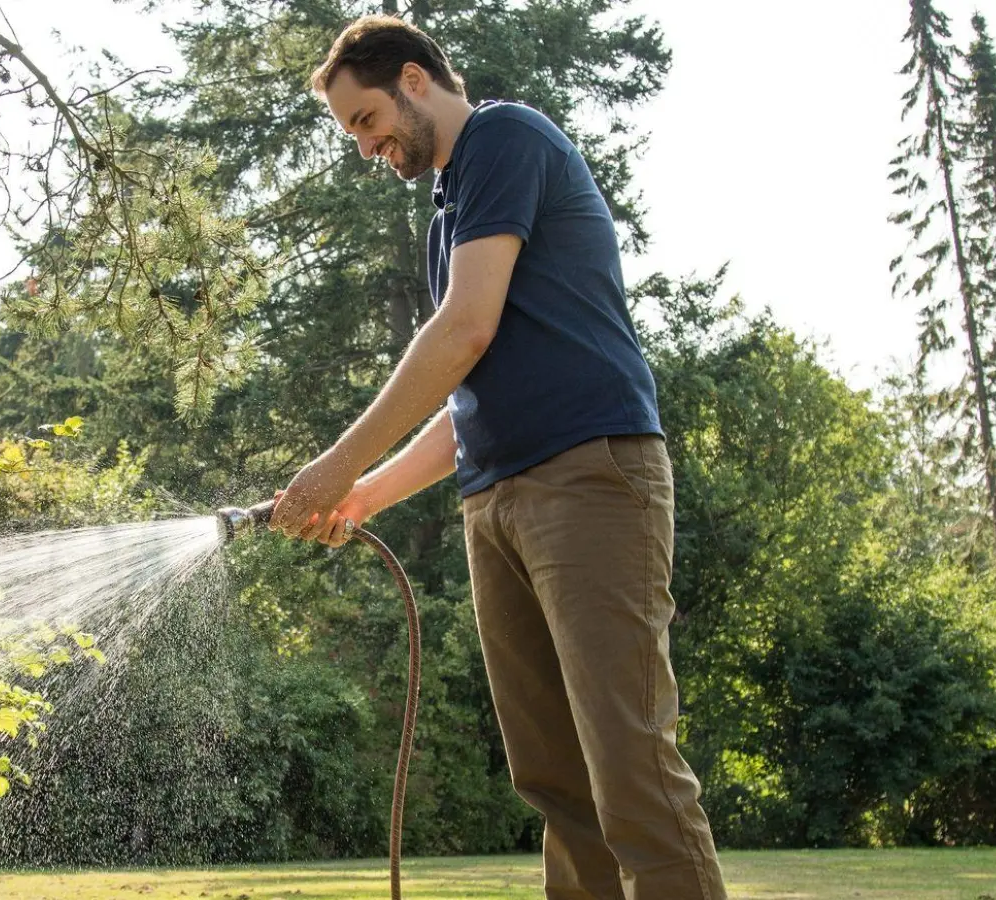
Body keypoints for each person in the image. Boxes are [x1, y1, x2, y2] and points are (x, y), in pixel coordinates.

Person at [268, 14, 726, 900]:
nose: (366, 147)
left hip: (589, 477)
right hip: (498, 499)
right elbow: (468, 400)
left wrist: (332, 460)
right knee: (555, 780)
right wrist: (361, 494)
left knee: (629, 764)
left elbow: (465, 330)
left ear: (411, 80)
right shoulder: (449, 219)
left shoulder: (504, 137)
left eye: (365, 121)